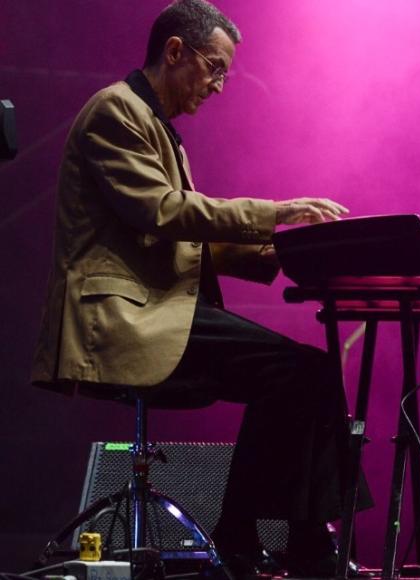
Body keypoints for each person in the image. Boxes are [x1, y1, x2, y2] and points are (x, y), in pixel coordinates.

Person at [31, 0, 368, 575]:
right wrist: (277, 212)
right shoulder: (115, 111)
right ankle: (265, 535)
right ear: (174, 52)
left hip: (161, 310)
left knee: (304, 375)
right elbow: (162, 213)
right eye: (215, 67)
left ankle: (290, 536)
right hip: (121, 317)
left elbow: (185, 235)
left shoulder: (159, 129)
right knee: (300, 372)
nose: (218, 85)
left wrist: (289, 253)